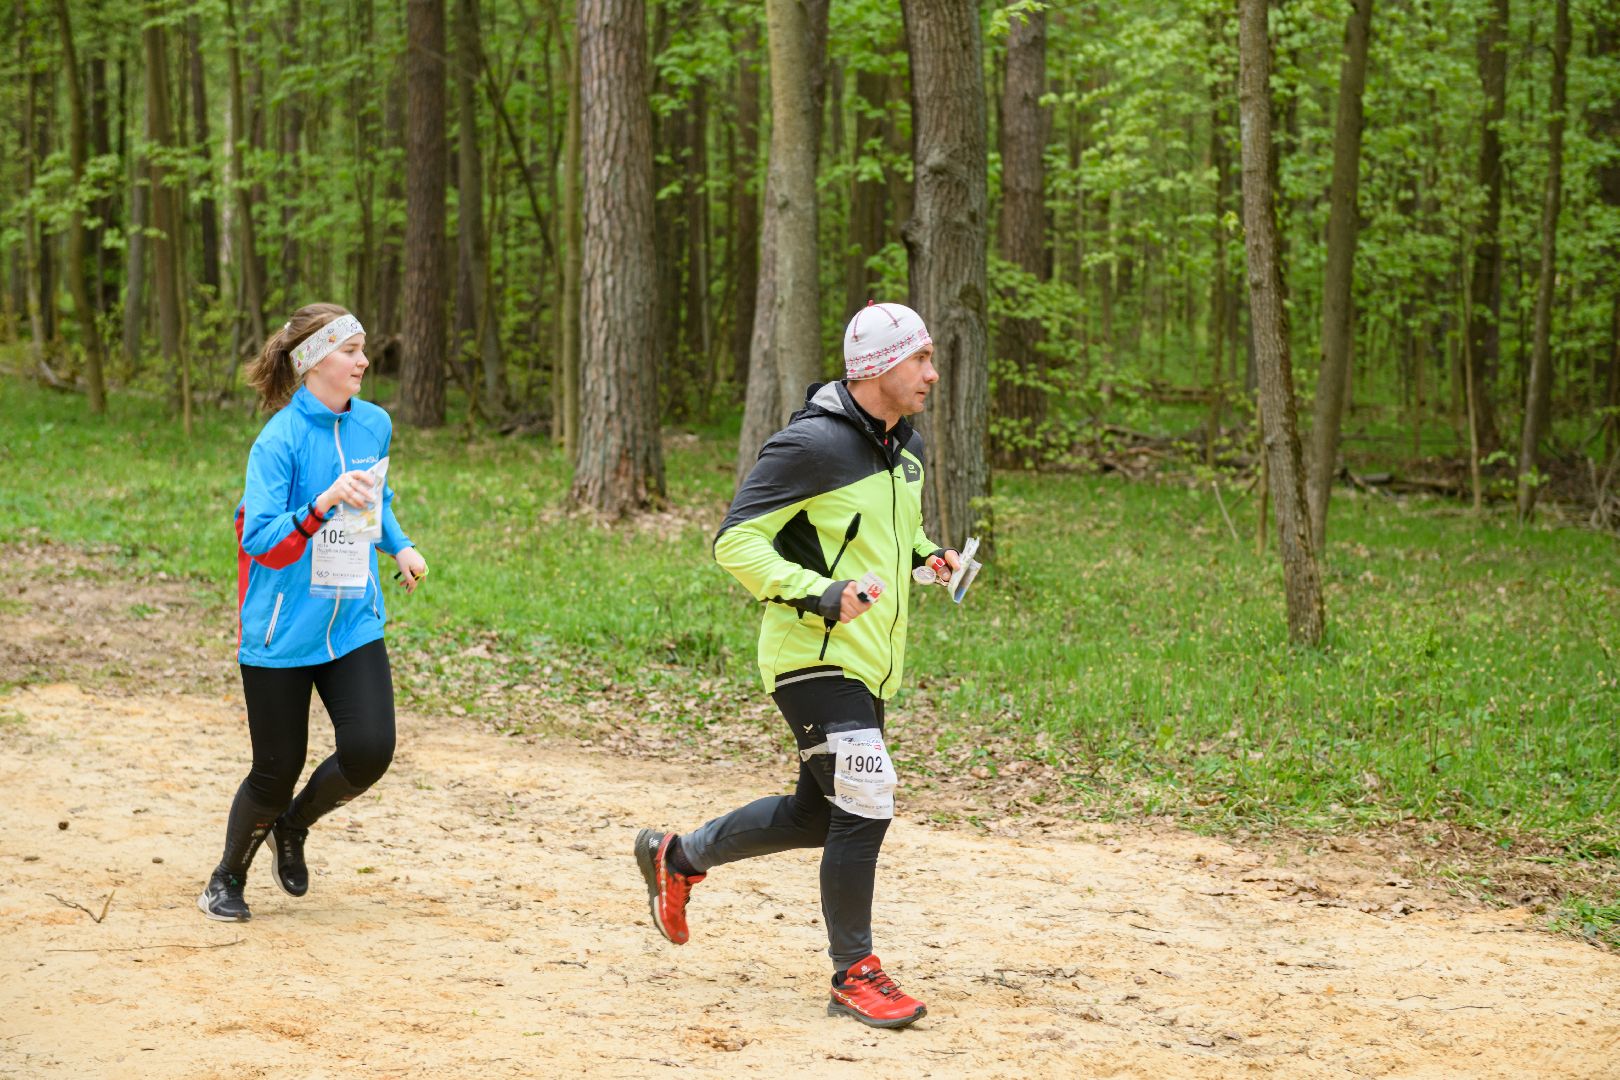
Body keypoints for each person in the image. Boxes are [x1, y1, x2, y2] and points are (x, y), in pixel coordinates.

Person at [635, 302, 961, 1029]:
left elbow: (894, 537)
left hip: (870, 664)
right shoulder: (811, 444)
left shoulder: (902, 450)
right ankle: (855, 972)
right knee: (868, 798)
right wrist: (817, 592)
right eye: (921, 361)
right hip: (810, 655)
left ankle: (678, 856)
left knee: (819, 814)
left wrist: (927, 557)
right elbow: (736, 542)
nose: (933, 375)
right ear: (879, 367)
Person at [198, 304, 428, 922]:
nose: (363, 360)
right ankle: (226, 878)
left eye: (361, 350)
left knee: (370, 751)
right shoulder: (278, 441)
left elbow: (374, 496)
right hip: (281, 630)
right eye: (350, 350)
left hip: (352, 618)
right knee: (275, 771)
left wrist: (398, 544)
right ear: (314, 361)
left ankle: (293, 827)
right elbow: (262, 542)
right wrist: (321, 503)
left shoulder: (373, 423)